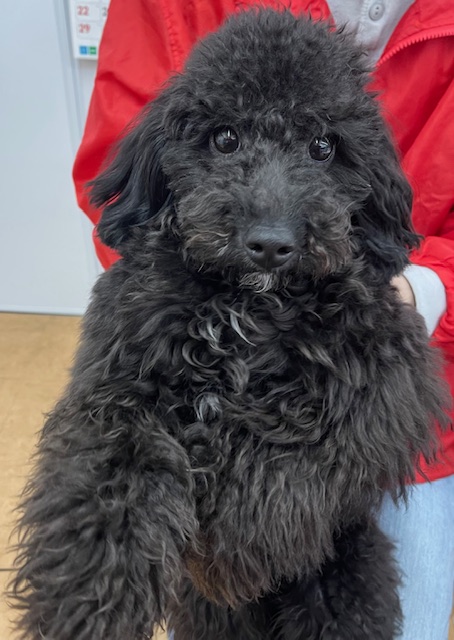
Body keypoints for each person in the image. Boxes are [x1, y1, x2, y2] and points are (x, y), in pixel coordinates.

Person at [73, 1, 454, 637]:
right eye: (227, 142)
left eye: (321, 147)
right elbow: (122, 199)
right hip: (194, 297)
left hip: (408, 336)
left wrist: (419, 288)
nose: (273, 232)